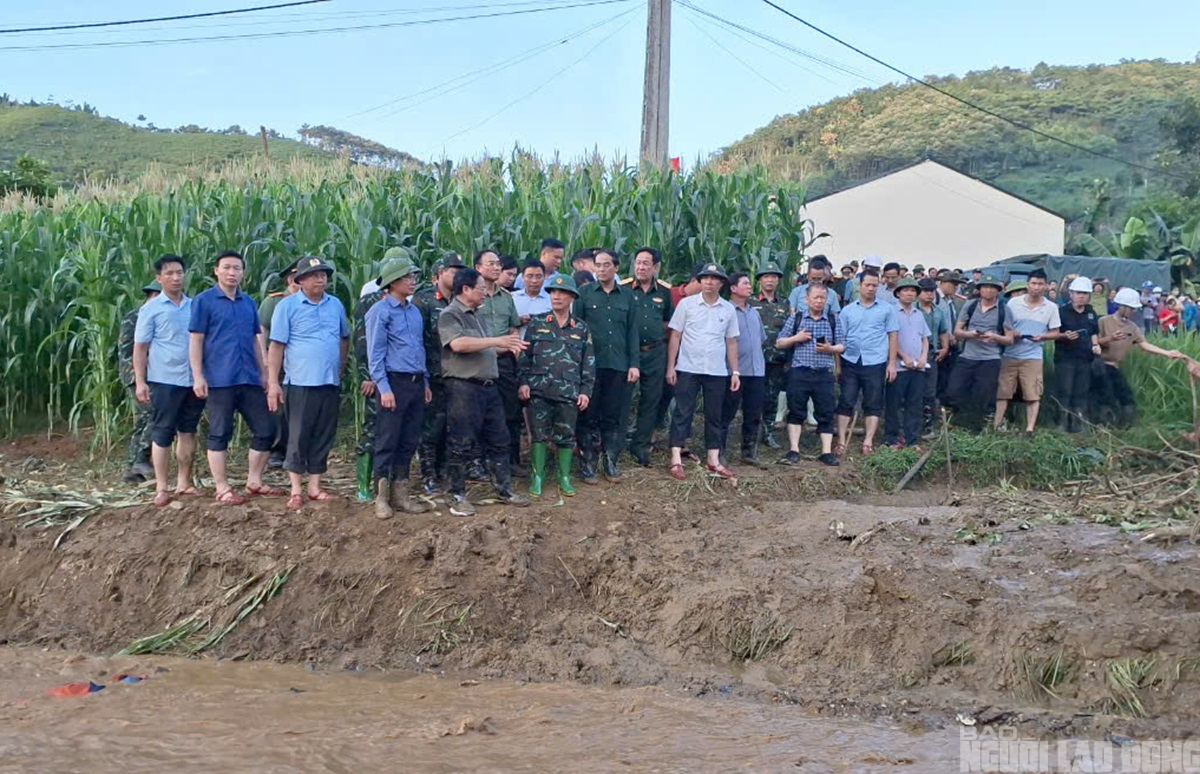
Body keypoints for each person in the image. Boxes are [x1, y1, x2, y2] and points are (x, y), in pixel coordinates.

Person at [189, 250, 280, 505]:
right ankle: (222, 487)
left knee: (266, 429)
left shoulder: (248, 303)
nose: (232, 273)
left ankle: (254, 480)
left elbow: (256, 339)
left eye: (237, 268)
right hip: (219, 379)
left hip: (249, 378)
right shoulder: (204, 301)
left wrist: (264, 373)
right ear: (216, 270)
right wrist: (198, 376)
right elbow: (196, 340)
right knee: (220, 433)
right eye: (227, 268)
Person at [438, 268, 530, 516]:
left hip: (489, 386)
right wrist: (497, 341)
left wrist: (509, 345)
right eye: (481, 289)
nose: (484, 294)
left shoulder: (478, 315)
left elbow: (486, 348)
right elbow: (458, 344)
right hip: (463, 388)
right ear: (466, 289)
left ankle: (504, 489)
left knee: (500, 439)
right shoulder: (450, 315)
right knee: (461, 443)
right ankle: (456, 494)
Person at [267, 256, 350, 511]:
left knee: (323, 434)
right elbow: (277, 345)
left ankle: (315, 486)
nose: (320, 278)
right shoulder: (287, 306)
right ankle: (295, 489)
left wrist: (340, 366)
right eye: (314, 275)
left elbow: (343, 338)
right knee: (298, 435)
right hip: (300, 381)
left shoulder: (334, 305)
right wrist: (273, 382)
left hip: (328, 381)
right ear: (299, 280)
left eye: (323, 274)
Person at [133, 256, 203, 507]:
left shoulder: (194, 306)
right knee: (162, 431)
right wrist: (140, 381)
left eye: (180, 273)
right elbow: (140, 348)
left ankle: (184, 482)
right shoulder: (151, 309)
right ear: (159, 278)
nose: (176, 278)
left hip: (192, 380)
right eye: (170, 273)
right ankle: (162, 486)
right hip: (164, 380)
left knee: (188, 430)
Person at [366, 255, 432, 519]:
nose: (412, 281)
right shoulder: (380, 312)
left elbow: (419, 348)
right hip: (393, 382)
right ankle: (381, 497)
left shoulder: (414, 311)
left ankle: (401, 494)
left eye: (413, 276)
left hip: (415, 382)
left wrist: (425, 381)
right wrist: (384, 388)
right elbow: (375, 354)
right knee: (387, 439)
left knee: (408, 440)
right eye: (407, 277)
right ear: (393, 282)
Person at [519, 274, 595, 498]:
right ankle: (537, 476)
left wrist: (585, 391)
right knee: (539, 435)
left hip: (568, 390)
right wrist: (523, 382)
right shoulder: (538, 323)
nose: (556, 296)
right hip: (539, 388)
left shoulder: (581, 328)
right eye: (552, 292)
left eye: (562, 293)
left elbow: (588, 362)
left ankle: (564, 476)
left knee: (565, 435)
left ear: (572, 297)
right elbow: (525, 356)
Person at [666, 263, 740, 481]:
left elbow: (731, 341)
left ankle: (713, 460)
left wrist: (734, 371)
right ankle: (676, 459)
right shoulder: (687, 305)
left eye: (713, 278)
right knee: (682, 412)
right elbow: (676, 336)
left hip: (716, 371)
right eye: (705, 278)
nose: (709, 282)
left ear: (721, 283)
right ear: (699, 281)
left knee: (714, 415)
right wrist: (671, 366)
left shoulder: (727, 309)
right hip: (688, 368)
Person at [572, 248, 639, 483]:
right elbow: (576, 331)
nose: (601, 269)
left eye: (606, 265)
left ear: (616, 268)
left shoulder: (628, 296)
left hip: (618, 365)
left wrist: (634, 364)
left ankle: (610, 462)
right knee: (588, 415)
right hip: (590, 366)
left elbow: (632, 333)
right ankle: (587, 464)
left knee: (612, 416)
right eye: (597, 265)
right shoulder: (583, 294)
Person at [413, 252, 468, 494]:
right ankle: (428, 475)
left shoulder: (461, 300)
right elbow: (416, 340)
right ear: (439, 275)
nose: (457, 275)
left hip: (456, 373)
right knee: (430, 428)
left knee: (452, 425)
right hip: (432, 373)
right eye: (452, 271)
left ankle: (445, 470)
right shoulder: (424, 300)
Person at [1096, 287, 1185, 426]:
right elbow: (1095, 343)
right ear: (1122, 307)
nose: (1133, 312)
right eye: (1131, 308)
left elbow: (1144, 344)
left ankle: (1127, 427)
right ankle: (1104, 426)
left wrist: (1167, 353)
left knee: (1126, 397)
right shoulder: (1103, 321)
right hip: (1100, 366)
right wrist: (1110, 339)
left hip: (1115, 367)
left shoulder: (1132, 327)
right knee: (1107, 397)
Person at [776, 283, 842, 466]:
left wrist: (830, 348)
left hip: (823, 373)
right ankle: (794, 449)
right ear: (807, 299)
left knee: (826, 411)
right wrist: (796, 338)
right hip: (800, 371)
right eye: (816, 297)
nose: (820, 301)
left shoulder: (832, 319)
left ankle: (826, 452)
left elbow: (843, 345)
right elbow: (779, 342)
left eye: (823, 298)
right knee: (796, 410)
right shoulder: (796, 318)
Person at [352, 248, 399, 500]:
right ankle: (363, 487)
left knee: (392, 430)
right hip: (376, 376)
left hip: (398, 376)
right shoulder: (370, 301)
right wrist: (367, 376)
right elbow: (364, 343)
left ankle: (387, 482)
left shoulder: (405, 301)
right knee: (372, 427)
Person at [834, 272, 898, 456]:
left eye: (874, 285)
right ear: (860, 286)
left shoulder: (886, 309)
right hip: (851, 360)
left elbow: (893, 335)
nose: (871, 289)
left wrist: (891, 363)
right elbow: (840, 339)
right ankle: (841, 441)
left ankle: (868, 441)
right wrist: (838, 365)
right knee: (846, 400)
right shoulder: (848, 311)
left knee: (873, 402)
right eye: (868, 285)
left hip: (875, 361)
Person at [994, 269, 1063, 434]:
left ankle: (1029, 429)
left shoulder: (1051, 307)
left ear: (1046, 286)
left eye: (1040, 284)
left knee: (1032, 393)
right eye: (1033, 283)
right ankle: (996, 425)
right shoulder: (1014, 303)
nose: (1036, 287)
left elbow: (1056, 332)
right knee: (1003, 392)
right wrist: (1012, 334)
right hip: (1010, 353)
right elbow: (1004, 327)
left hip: (1033, 356)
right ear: (1027, 285)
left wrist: (1043, 337)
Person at [474, 250, 524, 472]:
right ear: (478, 268)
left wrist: (511, 348)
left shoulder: (507, 298)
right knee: (479, 412)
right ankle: (480, 463)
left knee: (510, 412)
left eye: (498, 264)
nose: (496, 268)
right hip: (478, 362)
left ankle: (510, 461)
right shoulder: (473, 297)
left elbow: (513, 327)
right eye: (491, 263)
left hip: (504, 362)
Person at [622, 247, 672, 467]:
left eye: (645, 263)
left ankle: (640, 445)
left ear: (655, 267)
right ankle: (616, 442)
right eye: (638, 262)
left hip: (654, 352)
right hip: (627, 353)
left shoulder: (663, 292)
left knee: (651, 399)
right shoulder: (623, 289)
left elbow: (667, 322)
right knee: (623, 398)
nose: (640, 267)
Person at [945, 274, 1006, 432]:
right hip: (968, 355)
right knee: (954, 390)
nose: (988, 290)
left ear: (997, 291)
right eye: (985, 287)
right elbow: (957, 331)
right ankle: (959, 420)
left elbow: (1010, 338)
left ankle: (975, 427)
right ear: (979, 290)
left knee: (983, 395)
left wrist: (994, 337)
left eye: (992, 288)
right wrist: (970, 334)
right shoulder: (970, 305)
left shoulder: (1004, 309)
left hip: (990, 358)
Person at [259, 258, 301, 470]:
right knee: (279, 409)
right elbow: (261, 331)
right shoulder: (274, 302)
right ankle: (277, 450)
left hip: (301, 365)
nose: (296, 282)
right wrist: (265, 360)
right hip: (280, 363)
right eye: (293, 278)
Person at [721, 273, 767, 464]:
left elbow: (761, 339)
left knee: (754, 414)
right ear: (733, 288)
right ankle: (719, 451)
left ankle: (748, 452)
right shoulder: (725, 310)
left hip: (757, 372)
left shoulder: (753, 312)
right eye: (745, 283)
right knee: (726, 413)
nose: (750, 286)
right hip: (734, 372)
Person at [119, 279, 161, 483]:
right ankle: (141, 459)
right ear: (152, 295)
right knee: (152, 414)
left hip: (152, 375)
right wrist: (139, 377)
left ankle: (133, 469)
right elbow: (127, 350)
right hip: (136, 375)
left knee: (143, 420)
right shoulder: (135, 317)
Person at [883, 278, 931, 449]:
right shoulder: (891, 312)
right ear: (898, 293)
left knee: (914, 404)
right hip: (898, 367)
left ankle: (912, 440)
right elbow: (890, 339)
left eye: (913, 291)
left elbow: (925, 338)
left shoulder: (919, 314)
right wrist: (903, 357)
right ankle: (892, 438)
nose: (910, 294)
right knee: (893, 405)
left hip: (918, 367)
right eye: (906, 290)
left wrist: (924, 357)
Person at [749, 261, 790, 450]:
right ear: (759, 280)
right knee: (753, 398)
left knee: (771, 398)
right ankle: (751, 435)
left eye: (774, 277)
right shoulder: (750, 302)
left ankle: (768, 433)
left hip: (776, 359)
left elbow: (789, 331)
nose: (770, 280)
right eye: (766, 276)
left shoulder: (784, 303)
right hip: (753, 360)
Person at [1054, 276, 1102, 433]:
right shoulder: (1061, 312)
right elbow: (1053, 333)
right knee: (1064, 391)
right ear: (1071, 294)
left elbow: (1094, 331)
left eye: (1085, 293)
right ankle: (1062, 424)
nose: (1082, 296)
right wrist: (1064, 336)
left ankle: (1078, 423)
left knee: (1081, 392)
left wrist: (1095, 345)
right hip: (1065, 358)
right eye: (1078, 293)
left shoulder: (1090, 312)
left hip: (1085, 358)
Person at [917, 277, 951, 438]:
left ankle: (928, 425)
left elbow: (943, 331)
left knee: (930, 393)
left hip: (932, 355)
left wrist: (945, 348)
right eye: (925, 291)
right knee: (912, 391)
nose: (929, 295)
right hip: (913, 355)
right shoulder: (913, 310)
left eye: (931, 291)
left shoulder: (938, 311)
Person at [512, 259, 552, 333]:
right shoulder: (512, 298)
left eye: (539, 277)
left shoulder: (552, 300)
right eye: (530, 276)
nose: (534, 281)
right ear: (522, 278)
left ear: (544, 278)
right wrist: (518, 321)